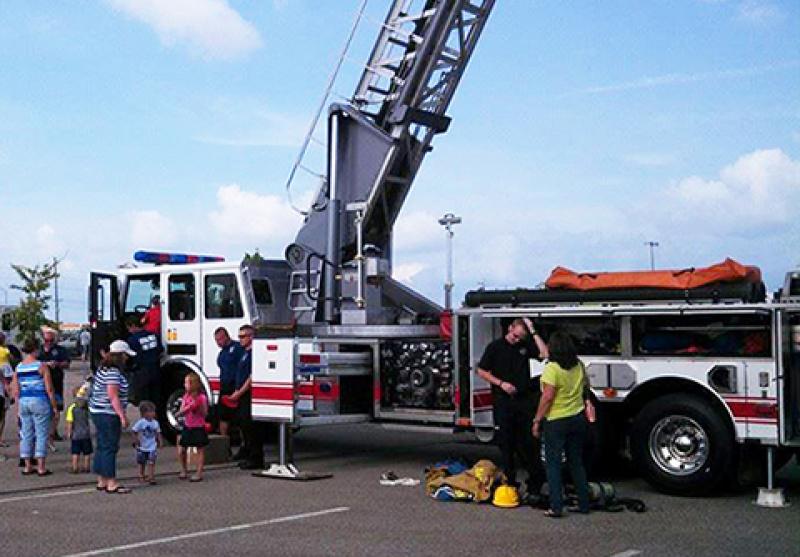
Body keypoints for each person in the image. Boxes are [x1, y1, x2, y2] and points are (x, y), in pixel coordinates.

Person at [476, 317, 548, 500]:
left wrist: (532, 331)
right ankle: (509, 482)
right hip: (503, 400)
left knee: (529, 443)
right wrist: (500, 383)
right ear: (510, 329)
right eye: (515, 336)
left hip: (524, 400)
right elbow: (481, 370)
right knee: (506, 444)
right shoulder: (495, 347)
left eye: (520, 338)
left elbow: (544, 354)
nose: (517, 340)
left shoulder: (525, 346)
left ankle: (535, 486)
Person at [532, 331, 593, 518]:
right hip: (577, 418)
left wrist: (537, 420)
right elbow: (586, 389)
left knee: (553, 464)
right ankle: (584, 503)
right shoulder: (579, 365)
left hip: (556, 420)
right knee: (576, 462)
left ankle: (556, 507)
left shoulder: (553, 368)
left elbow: (548, 397)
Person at [89, 340, 134, 494]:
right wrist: (122, 416)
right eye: (126, 355)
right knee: (110, 446)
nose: (127, 358)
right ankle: (111, 482)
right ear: (120, 355)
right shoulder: (114, 372)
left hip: (97, 411)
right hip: (108, 412)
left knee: (102, 445)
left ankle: (102, 479)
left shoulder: (103, 368)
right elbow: (113, 396)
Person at [12, 337, 57, 476]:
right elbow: (49, 389)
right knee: (41, 433)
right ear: (36, 349)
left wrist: (17, 408)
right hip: (40, 400)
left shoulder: (19, 367)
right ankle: (41, 467)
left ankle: (27, 466)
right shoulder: (41, 366)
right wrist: (54, 406)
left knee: (26, 434)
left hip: (24, 401)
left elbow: (16, 390)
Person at [231, 324, 263, 470]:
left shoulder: (253, 354)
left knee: (251, 427)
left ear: (251, 337)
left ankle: (256, 458)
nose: (240, 339)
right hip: (241, 394)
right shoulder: (244, 353)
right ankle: (247, 453)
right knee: (243, 425)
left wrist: (240, 392)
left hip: (248, 395)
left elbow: (251, 377)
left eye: (243, 336)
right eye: (239, 336)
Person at [38, 326, 69, 443]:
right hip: (41, 384)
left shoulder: (60, 350)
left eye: (51, 340)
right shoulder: (39, 350)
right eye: (47, 340)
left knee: (57, 408)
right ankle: (44, 432)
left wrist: (58, 364)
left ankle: (53, 432)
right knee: (43, 409)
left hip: (56, 382)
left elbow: (67, 363)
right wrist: (44, 364)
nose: (49, 343)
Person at [175, 372, 208, 482]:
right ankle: (184, 469)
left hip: (198, 426)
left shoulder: (202, 397)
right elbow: (182, 410)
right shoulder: (186, 396)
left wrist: (197, 408)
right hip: (187, 425)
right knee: (182, 449)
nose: (185, 385)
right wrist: (183, 411)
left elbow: (204, 413)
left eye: (187, 383)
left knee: (200, 449)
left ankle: (199, 472)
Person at [126, 317, 163, 405]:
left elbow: (131, 356)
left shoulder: (132, 340)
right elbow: (160, 349)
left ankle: (147, 417)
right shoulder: (154, 335)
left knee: (144, 399)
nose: (129, 331)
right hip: (156, 369)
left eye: (129, 328)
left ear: (133, 326)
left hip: (141, 372)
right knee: (156, 397)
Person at [214, 327, 242, 442]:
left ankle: (243, 445)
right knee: (223, 416)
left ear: (226, 336)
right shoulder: (222, 353)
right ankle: (225, 445)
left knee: (240, 418)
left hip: (236, 387)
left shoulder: (237, 348)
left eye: (220, 339)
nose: (218, 343)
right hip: (224, 387)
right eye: (216, 340)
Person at [131, 400, 162, 485]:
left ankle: (151, 476)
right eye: (151, 411)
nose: (153, 413)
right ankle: (141, 475)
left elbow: (158, 432)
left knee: (151, 461)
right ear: (144, 413)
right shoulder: (141, 422)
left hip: (152, 446)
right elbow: (134, 431)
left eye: (153, 411)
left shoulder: (155, 423)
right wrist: (135, 440)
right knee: (142, 462)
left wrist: (160, 441)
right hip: (142, 446)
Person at [65, 385, 92, 473]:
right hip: (86, 433)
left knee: (75, 452)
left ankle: (75, 467)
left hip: (76, 434)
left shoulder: (72, 408)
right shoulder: (86, 407)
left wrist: (69, 432)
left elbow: (70, 421)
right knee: (87, 452)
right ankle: (86, 467)